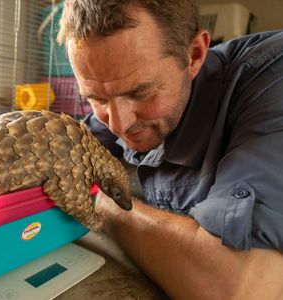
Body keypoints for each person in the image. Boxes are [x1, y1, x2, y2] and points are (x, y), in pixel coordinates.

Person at [57, 0, 283, 298]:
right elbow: (70, 150)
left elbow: (244, 287)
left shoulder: (271, 79)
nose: (118, 125)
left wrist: (105, 202)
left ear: (194, 55)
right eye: (96, 99)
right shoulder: (119, 101)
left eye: (141, 93)